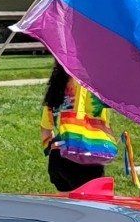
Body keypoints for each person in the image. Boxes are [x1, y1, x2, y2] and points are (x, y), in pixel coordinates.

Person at [41, 64, 116, 192]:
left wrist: (50, 146)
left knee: (67, 208)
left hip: (61, 158)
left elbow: (45, 128)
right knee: (92, 206)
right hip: (91, 158)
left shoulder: (58, 84)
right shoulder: (99, 86)